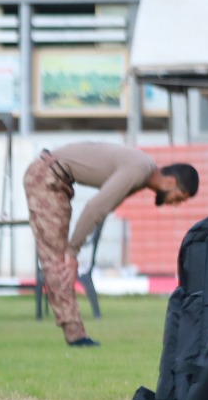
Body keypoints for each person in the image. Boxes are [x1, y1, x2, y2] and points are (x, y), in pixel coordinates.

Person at [24, 142, 198, 347]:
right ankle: (76, 337)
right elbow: (94, 208)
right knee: (57, 260)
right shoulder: (139, 170)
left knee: (57, 257)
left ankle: (75, 334)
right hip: (46, 176)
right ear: (170, 182)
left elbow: (101, 210)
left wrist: (74, 248)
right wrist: (72, 252)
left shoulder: (142, 169)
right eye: (178, 198)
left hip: (55, 177)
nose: (174, 204)